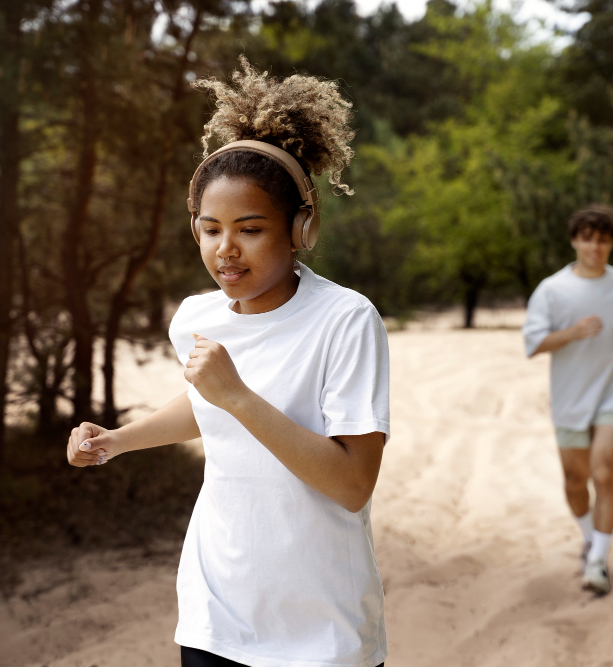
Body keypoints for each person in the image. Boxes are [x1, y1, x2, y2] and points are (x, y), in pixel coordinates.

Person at [65, 57, 389, 667]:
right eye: (210, 229)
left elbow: (351, 485)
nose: (226, 250)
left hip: (323, 630)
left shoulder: (346, 321)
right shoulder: (195, 317)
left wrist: (237, 394)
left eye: (249, 228)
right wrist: (114, 440)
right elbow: (202, 406)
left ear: (301, 227)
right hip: (216, 614)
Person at [521, 206, 613, 595]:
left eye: (604, 239)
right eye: (588, 238)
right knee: (575, 481)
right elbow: (533, 343)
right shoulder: (552, 289)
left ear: (611, 243)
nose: (596, 246)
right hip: (571, 397)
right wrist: (573, 332)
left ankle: (598, 563)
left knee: (603, 473)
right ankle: (591, 537)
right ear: (575, 240)